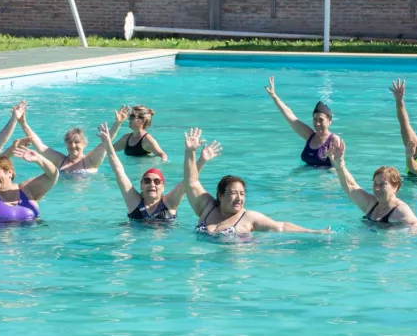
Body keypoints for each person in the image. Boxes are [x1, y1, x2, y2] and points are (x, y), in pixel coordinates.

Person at [183, 128, 330, 235]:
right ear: (220, 195)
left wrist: (313, 232)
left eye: (242, 194)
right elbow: (191, 182)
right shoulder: (207, 206)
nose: (239, 198)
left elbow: (281, 226)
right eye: (234, 193)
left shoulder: (248, 217)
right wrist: (190, 152)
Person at [98, 122, 221, 221]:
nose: (152, 184)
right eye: (147, 181)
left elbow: (188, 181)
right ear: (141, 185)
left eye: (157, 181)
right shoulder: (133, 202)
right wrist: (108, 143)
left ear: (163, 187)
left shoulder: (170, 202)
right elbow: (119, 171)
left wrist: (201, 160)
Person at [327, 141, 417, 227]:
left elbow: (416, 226)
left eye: (382, 184)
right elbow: (351, 186)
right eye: (375, 184)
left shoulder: (400, 210)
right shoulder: (371, 204)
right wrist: (340, 165)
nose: (377, 189)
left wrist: (395, 233)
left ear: (395, 187)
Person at [20, 107, 127, 174]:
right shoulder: (60, 161)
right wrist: (23, 124)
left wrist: (117, 124)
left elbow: (106, 143)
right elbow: (40, 147)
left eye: (77, 142)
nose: (72, 145)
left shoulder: (91, 160)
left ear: (84, 144)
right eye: (69, 142)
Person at [264, 76, 342, 167]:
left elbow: (339, 167)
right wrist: (274, 96)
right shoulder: (309, 135)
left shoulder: (333, 140)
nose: (317, 123)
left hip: (325, 176)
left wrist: (332, 159)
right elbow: (290, 116)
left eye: (321, 120)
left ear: (329, 121)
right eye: (315, 119)